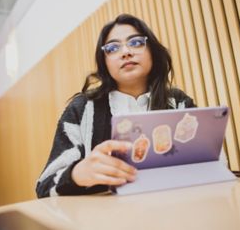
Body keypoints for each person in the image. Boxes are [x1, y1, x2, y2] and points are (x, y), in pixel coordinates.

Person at [36, 14, 195, 198]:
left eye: (135, 42)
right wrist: (77, 174)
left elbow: (212, 164)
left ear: (152, 50)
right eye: (112, 48)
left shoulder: (178, 103)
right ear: (104, 62)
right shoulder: (82, 109)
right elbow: (44, 186)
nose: (126, 52)